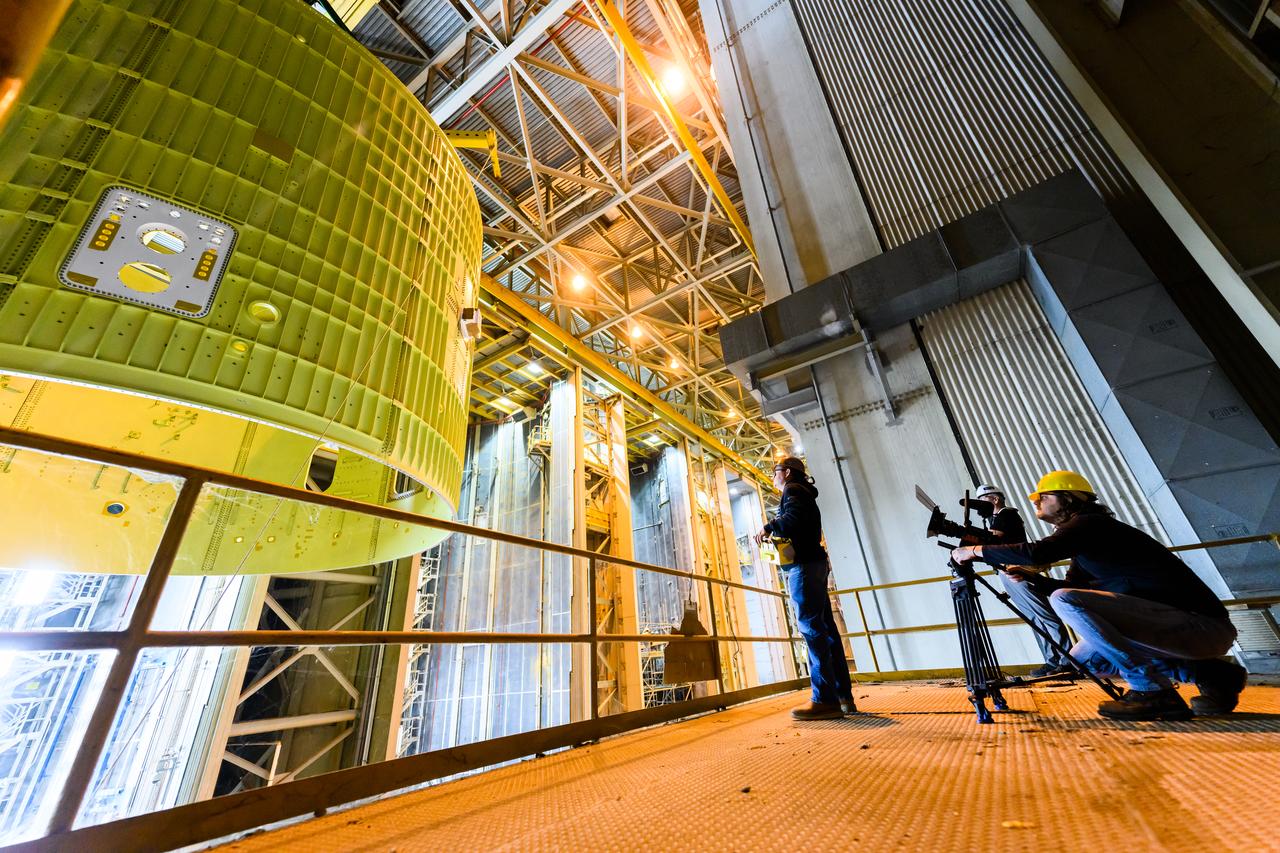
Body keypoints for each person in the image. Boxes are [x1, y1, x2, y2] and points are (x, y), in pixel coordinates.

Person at [950, 470, 1246, 721]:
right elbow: (1072, 586)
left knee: (1065, 599)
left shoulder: (1090, 524)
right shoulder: (1086, 541)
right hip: (1173, 626)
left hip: (1200, 624)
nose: (1037, 501)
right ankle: (1212, 674)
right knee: (1084, 662)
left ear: (1068, 498)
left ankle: (1151, 691)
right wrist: (1033, 579)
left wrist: (974, 551)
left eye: (1044, 496)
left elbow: (1039, 553)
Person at [754, 457, 856, 720]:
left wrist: (768, 527)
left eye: (775, 472)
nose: (773, 477)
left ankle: (824, 701)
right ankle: (842, 696)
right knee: (826, 630)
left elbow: (793, 520)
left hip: (804, 566)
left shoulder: (792, 489)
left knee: (812, 630)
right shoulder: (803, 491)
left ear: (787, 472)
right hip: (815, 564)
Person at [977, 483, 1073, 678]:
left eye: (982, 501)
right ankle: (1052, 660)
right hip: (1006, 572)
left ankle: (1068, 660)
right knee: (1033, 617)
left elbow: (992, 541)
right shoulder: (994, 518)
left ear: (994, 499)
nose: (979, 506)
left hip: (1018, 571)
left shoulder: (1006, 515)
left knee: (1044, 615)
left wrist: (972, 544)